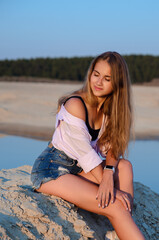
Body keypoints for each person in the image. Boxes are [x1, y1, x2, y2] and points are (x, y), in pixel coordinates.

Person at [31, 52, 145, 240]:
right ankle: (122, 217)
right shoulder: (75, 104)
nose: (98, 82)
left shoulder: (109, 110)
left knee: (125, 166)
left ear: (117, 83)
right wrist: (112, 189)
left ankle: (124, 221)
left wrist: (109, 172)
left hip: (78, 170)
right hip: (53, 170)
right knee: (114, 203)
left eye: (107, 78)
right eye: (96, 74)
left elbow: (113, 148)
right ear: (90, 74)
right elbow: (86, 155)